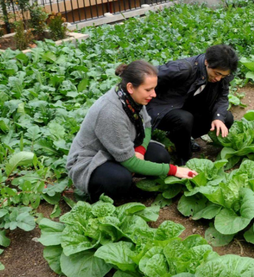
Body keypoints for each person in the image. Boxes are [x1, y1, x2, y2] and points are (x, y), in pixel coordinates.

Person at [66, 60, 197, 201]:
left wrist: (140, 150)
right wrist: (174, 170)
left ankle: (127, 182)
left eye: (154, 88)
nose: (153, 94)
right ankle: (103, 196)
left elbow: (146, 125)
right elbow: (130, 162)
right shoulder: (110, 112)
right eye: (148, 90)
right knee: (119, 179)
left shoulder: (132, 98)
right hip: (90, 160)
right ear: (130, 87)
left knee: (160, 156)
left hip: (120, 148)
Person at [147, 45, 238, 165]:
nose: (218, 78)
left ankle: (180, 138)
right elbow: (147, 76)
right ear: (207, 62)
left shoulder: (222, 76)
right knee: (184, 119)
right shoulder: (183, 69)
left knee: (226, 118)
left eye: (223, 76)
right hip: (164, 108)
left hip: (188, 106)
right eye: (217, 73)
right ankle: (184, 159)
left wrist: (218, 118)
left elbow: (222, 97)